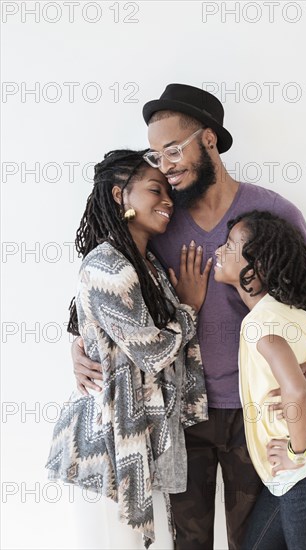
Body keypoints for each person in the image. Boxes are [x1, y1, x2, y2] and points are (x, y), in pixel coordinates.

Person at [71, 84, 306, 549]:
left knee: (253, 542)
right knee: (187, 544)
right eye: (156, 156)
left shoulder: (273, 213)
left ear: (209, 139)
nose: (165, 166)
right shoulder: (160, 218)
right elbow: (110, 292)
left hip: (257, 413)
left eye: (173, 150)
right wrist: (81, 346)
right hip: (180, 417)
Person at [45, 149, 211, 549]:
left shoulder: (146, 265)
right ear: (120, 195)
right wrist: (189, 309)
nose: (167, 200)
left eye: (168, 191)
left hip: (136, 441)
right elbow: (152, 351)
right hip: (103, 447)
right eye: (156, 190)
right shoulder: (108, 265)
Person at [214, 210, 306, 550]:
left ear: (257, 268)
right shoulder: (292, 314)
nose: (218, 251)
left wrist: (296, 451)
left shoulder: (262, 324)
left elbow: (296, 389)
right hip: (304, 473)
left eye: (230, 246)